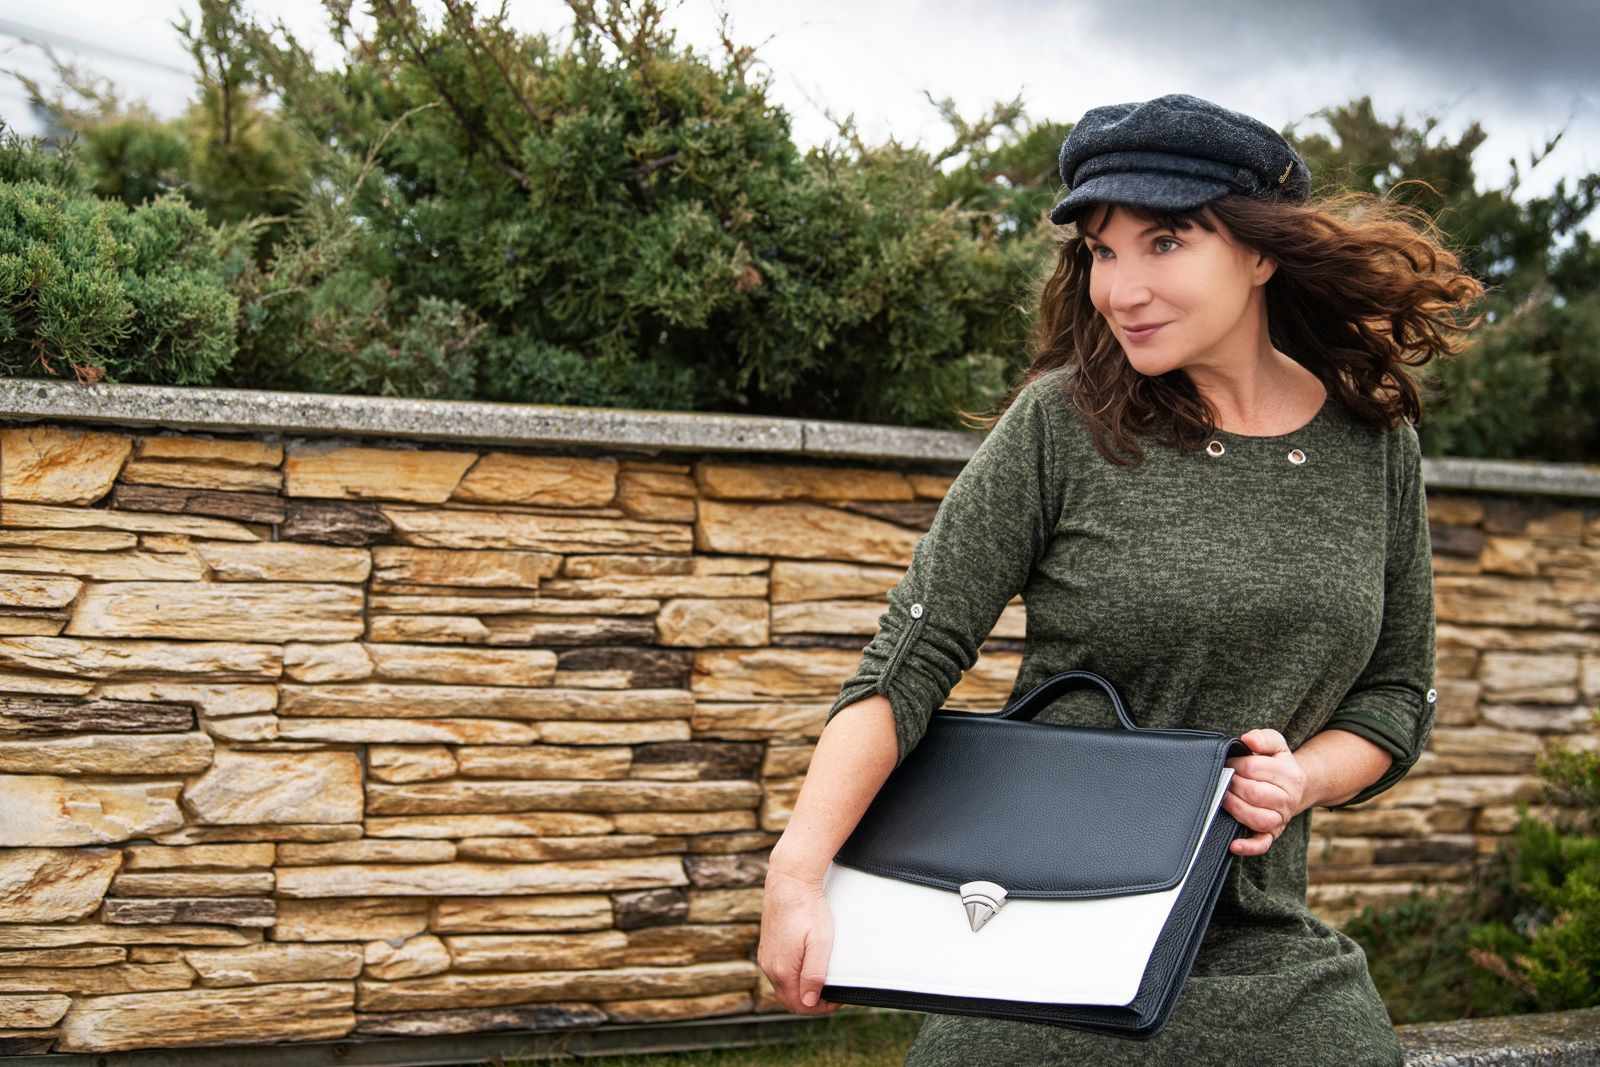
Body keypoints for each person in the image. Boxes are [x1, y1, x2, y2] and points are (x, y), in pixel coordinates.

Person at [756, 93, 1484, 1066]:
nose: (1120, 286)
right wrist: (799, 871)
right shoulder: (1061, 425)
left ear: (1261, 251)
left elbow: (1397, 694)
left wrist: (1300, 776)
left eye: (1164, 242)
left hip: (1262, 953)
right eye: (1101, 249)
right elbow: (909, 659)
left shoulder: (1373, 444)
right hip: (1028, 935)